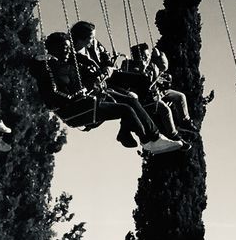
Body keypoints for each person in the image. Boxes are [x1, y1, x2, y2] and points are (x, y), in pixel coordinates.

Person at [38, 33, 182, 155]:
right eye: (65, 48)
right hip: (74, 109)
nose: (69, 51)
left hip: (87, 101)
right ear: (55, 48)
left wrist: (98, 75)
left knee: (131, 100)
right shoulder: (49, 67)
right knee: (125, 109)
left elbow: (86, 75)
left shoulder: (70, 63)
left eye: (69, 48)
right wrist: (80, 93)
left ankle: (155, 137)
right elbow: (55, 94)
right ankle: (147, 141)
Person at [120, 43, 192, 141]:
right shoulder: (129, 65)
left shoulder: (152, 63)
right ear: (138, 56)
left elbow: (163, 67)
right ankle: (173, 135)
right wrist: (142, 69)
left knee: (180, 96)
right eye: (145, 56)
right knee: (165, 110)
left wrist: (160, 56)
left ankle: (185, 121)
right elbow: (140, 83)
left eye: (148, 55)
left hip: (159, 91)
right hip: (146, 97)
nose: (147, 57)